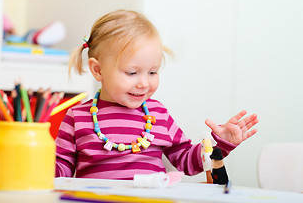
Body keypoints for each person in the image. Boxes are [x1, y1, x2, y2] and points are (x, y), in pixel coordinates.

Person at [55, 9, 258, 179]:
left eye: (153, 72)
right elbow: (60, 172)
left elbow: (187, 162)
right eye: (132, 73)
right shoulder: (77, 117)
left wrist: (221, 142)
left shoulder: (158, 114)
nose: (144, 83)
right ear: (98, 70)